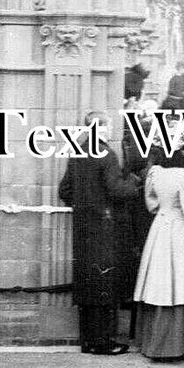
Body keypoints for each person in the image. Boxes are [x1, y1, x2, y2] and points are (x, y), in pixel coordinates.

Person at [57, 113, 142, 355]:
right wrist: (136, 184)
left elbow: (65, 190)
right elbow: (116, 190)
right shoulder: (107, 154)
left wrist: (86, 205)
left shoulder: (78, 151)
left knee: (88, 285)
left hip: (84, 228)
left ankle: (88, 341)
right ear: (101, 128)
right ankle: (103, 342)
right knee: (105, 284)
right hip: (105, 229)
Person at [132, 136, 184, 361]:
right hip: (178, 229)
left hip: (160, 228)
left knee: (158, 283)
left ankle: (151, 342)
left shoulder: (156, 172)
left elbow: (151, 204)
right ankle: (174, 345)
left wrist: (164, 209)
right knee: (178, 285)